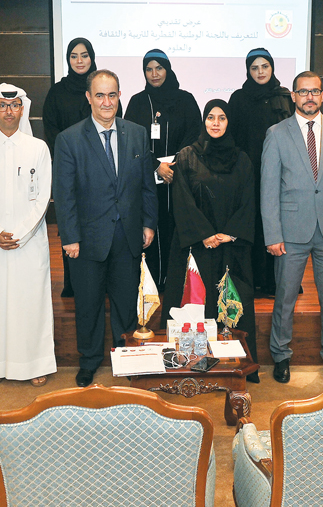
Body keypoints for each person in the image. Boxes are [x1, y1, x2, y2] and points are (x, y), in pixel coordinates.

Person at [53, 70, 157, 387]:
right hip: (86, 240)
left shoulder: (136, 134)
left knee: (126, 303)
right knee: (88, 304)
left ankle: (124, 357)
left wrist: (149, 223)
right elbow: (64, 193)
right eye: (100, 95)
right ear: (89, 98)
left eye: (112, 95)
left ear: (119, 96)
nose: (106, 102)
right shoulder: (69, 139)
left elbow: (146, 185)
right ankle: (89, 361)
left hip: (127, 235)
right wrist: (69, 237)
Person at [261, 71, 323, 384]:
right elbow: (268, 189)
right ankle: (281, 355)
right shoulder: (276, 133)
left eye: (314, 91)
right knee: (285, 299)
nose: (309, 97)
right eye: (303, 92)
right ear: (293, 96)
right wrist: (273, 234)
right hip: (290, 232)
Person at [0, 83, 56, 387]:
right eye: (2, 106)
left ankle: (35, 364)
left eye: (14, 105)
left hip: (28, 241)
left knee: (31, 303)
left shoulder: (38, 148)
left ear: (22, 109)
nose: (8, 111)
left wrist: (19, 232)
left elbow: (43, 197)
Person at [161, 99, 258, 382]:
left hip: (230, 246)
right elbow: (181, 199)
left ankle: (232, 365)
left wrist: (229, 233)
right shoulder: (188, 155)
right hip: (196, 247)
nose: (216, 123)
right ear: (203, 121)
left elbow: (248, 199)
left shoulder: (242, 159)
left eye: (222, 118)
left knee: (230, 305)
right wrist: (204, 234)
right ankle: (188, 363)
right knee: (195, 306)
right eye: (211, 118)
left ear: (229, 123)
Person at [43, 37, 122, 297]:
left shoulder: (104, 92)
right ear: (68, 59)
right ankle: (75, 284)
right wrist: (71, 155)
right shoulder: (57, 91)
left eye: (84, 55)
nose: (79, 60)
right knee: (73, 223)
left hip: (104, 170)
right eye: (74, 56)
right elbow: (51, 128)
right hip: (72, 167)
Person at [124, 49, 202, 290]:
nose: (154, 74)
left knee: (177, 228)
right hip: (148, 180)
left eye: (159, 68)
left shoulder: (185, 99)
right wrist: (157, 166)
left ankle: (177, 284)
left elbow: (195, 135)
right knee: (152, 229)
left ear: (168, 69)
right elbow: (131, 140)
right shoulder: (138, 102)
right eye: (149, 69)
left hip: (179, 180)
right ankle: (152, 285)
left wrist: (175, 166)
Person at [228, 48, 295, 294]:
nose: (260, 72)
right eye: (254, 68)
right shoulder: (238, 98)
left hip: (281, 174)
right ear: (248, 70)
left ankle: (275, 281)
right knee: (253, 224)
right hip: (248, 174)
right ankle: (252, 280)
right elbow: (232, 138)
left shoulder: (285, 96)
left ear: (272, 67)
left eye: (264, 66)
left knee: (277, 224)